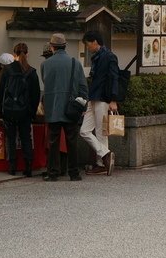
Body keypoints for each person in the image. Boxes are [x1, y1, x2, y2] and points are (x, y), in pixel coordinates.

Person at [39, 33, 87, 182]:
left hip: (53, 107)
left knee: (53, 141)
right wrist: (83, 104)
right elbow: (83, 86)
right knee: (72, 140)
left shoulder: (45, 64)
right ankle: (74, 173)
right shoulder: (75, 63)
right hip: (71, 107)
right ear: (65, 46)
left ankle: (53, 173)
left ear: (52, 47)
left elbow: (46, 83)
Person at [0, 42, 41, 176]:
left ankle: (12, 166)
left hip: (9, 110)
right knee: (26, 137)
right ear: (27, 54)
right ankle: (28, 167)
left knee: (10, 138)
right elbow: (35, 95)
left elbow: (0, 92)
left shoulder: (7, 70)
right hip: (25, 111)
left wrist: (0, 111)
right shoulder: (31, 72)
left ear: (14, 54)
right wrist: (32, 112)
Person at [81, 30, 119, 176]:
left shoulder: (109, 57)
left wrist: (113, 99)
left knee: (101, 132)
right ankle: (106, 155)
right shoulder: (97, 56)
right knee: (85, 131)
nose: (87, 47)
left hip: (103, 98)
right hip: (94, 97)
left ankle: (101, 163)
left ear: (95, 42)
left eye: (88, 44)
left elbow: (114, 78)